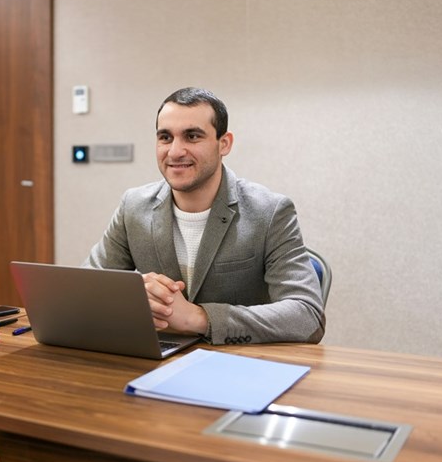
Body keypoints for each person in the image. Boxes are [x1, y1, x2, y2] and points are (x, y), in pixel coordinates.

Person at [85, 87, 325, 345]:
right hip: (156, 360)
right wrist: (130, 295)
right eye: (165, 137)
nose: (175, 151)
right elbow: (85, 290)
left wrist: (198, 317)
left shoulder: (270, 212)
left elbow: (307, 316)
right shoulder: (133, 206)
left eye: (192, 136)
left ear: (224, 144)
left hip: (241, 366)